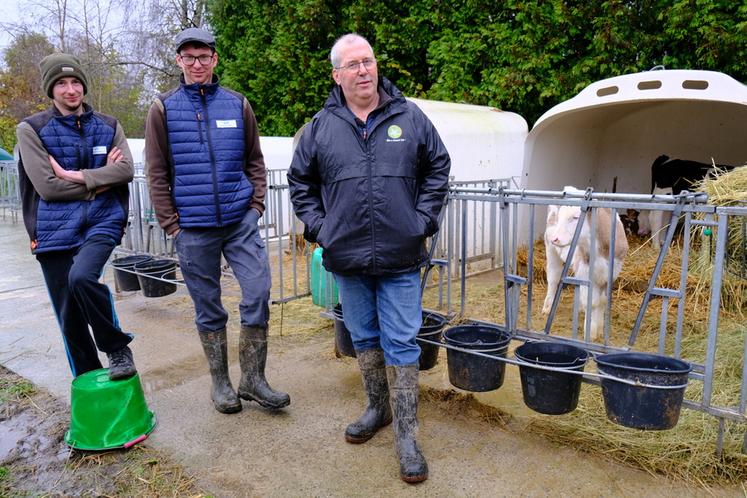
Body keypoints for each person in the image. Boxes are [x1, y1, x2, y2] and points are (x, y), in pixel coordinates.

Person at [288, 33, 451, 483]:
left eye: (369, 61)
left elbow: (439, 166)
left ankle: (406, 433)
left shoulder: (409, 116)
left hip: (401, 256)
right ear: (337, 75)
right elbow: (299, 183)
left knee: (401, 341)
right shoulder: (321, 127)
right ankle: (377, 407)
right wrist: (322, 229)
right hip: (348, 258)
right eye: (353, 64)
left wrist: (421, 221)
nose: (364, 70)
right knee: (363, 336)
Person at [144, 27, 289, 414]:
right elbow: (156, 172)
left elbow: (254, 161)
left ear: (214, 59)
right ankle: (221, 382)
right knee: (209, 307)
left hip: (239, 221)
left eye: (203, 56)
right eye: (188, 57)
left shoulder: (237, 105)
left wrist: (255, 205)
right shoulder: (162, 108)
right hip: (192, 227)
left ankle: (254, 380)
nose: (196, 64)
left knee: (257, 292)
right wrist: (172, 224)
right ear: (178, 60)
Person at [16, 53, 137, 380]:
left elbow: (126, 169)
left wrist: (75, 176)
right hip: (52, 229)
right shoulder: (32, 130)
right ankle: (88, 385)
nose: (71, 90)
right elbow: (47, 188)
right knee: (69, 316)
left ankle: (116, 347)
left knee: (82, 277)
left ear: (84, 85)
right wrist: (99, 180)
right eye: (61, 83)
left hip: (102, 220)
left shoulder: (108, 125)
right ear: (50, 90)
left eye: (76, 82)